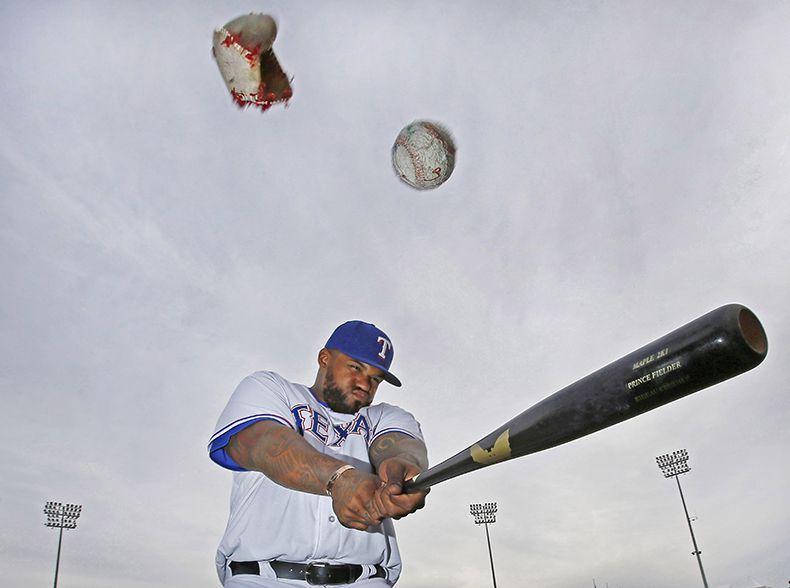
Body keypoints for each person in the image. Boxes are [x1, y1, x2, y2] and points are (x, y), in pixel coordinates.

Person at [208, 320, 430, 587]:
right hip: (265, 579)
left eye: (375, 378)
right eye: (356, 368)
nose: (365, 384)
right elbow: (262, 444)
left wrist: (400, 475)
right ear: (324, 358)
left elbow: (401, 448)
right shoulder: (272, 390)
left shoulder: (387, 416)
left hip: (365, 579)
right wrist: (340, 480)